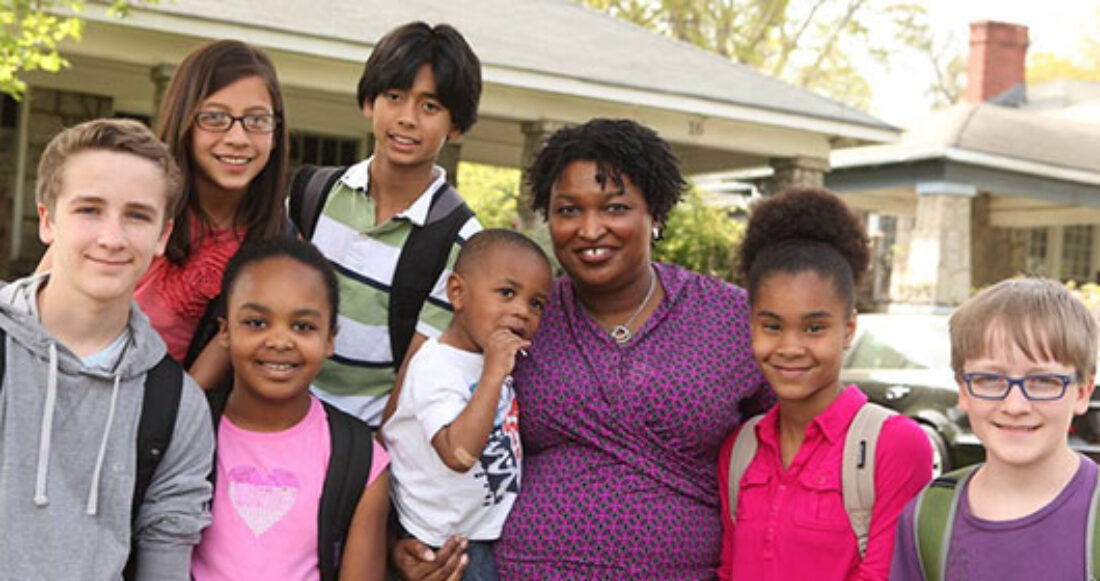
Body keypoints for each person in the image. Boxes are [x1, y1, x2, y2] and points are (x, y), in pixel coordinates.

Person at [437, 118, 769, 579]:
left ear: (654, 214)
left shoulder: (730, 318)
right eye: (569, 210)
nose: (590, 230)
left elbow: (792, 444)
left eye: (614, 208)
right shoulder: (520, 316)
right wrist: (413, 539)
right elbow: (437, 425)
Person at [0, 119, 214, 579]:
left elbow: (165, 558)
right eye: (89, 210)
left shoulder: (177, 406)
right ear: (47, 220)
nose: (112, 238)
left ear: (162, 235)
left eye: (137, 215)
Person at [718, 188, 932, 580]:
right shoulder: (740, 450)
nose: (791, 347)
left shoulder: (894, 445)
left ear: (848, 328)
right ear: (750, 325)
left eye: (815, 327)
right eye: (772, 326)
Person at [296, 21, 482, 429]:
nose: (407, 118)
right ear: (368, 102)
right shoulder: (312, 194)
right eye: (394, 97)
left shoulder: (461, 243)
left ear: (455, 126)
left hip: (365, 443)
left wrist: (373, 456)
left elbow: (419, 371)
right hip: (280, 418)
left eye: (430, 106)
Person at [191, 237, 390, 581]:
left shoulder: (359, 459)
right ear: (225, 332)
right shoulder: (186, 433)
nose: (280, 341)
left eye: (303, 326)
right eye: (256, 322)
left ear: (330, 339)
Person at [890, 278, 1098, 580]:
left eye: (1042, 381)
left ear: (1081, 393)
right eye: (990, 379)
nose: (1015, 405)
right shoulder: (929, 517)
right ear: (963, 390)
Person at [384, 230, 552, 581]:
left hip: (484, 528)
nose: (522, 311)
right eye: (507, 293)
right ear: (457, 293)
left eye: (536, 303)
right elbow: (458, 455)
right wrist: (493, 373)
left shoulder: (491, 356)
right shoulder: (436, 365)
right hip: (446, 544)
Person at [134, 39, 289, 389]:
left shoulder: (273, 248)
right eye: (215, 118)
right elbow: (37, 306)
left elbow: (195, 391)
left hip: (162, 423)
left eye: (256, 120)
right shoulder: (131, 203)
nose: (238, 137)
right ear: (184, 121)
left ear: (276, 133)